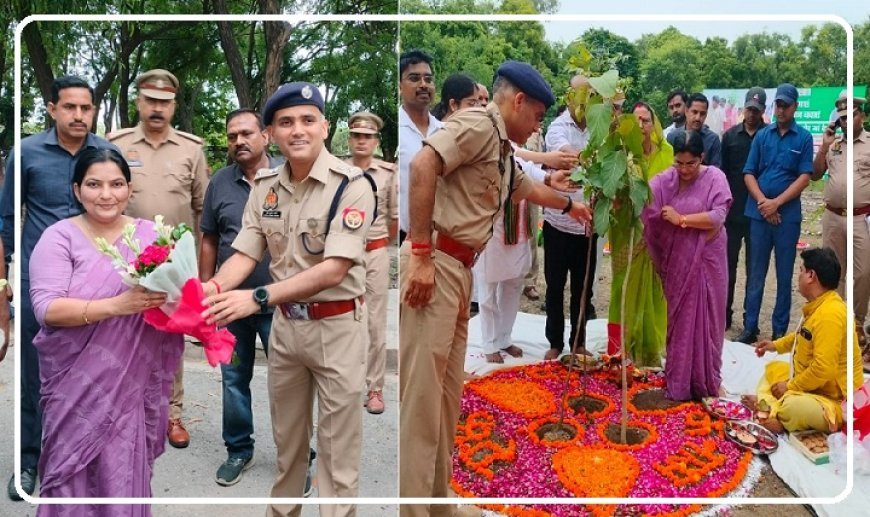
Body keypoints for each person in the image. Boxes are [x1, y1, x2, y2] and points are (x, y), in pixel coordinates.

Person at [399, 60, 592, 516]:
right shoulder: (475, 124)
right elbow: (424, 164)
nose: (538, 126)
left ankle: (437, 504)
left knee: (446, 402)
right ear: (518, 102)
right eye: (538, 116)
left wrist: (569, 202)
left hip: (459, 269)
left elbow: (522, 187)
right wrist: (422, 254)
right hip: (437, 266)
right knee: (423, 406)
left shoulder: (501, 144)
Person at [201, 82, 375, 516]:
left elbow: (333, 268)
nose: (297, 130)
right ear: (272, 134)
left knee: (336, 461)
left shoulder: (352, 185)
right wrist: (213, 290)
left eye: (307, 120)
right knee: (289, 450)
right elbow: (244, 253)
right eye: (286, 122)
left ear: (324, 127)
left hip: (336, 329)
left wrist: (256, 298)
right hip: (286, 333)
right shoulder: (265, 187)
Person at [29, 148, 184, 511]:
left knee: (122, 478)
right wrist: (117, 306)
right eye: (94, 184)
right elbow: (46, 309)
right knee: (71, 480)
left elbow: (177, 297)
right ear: (76, 189)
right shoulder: (59, 237)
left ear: (129, 189)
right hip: (75, 388)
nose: (106, 194)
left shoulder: (151, 236)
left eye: (116, 184)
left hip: (131, 385)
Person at [1, 75, 120, 500]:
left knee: (94, 374)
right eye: (69, 107)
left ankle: (85, 459)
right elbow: (5, 222)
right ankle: (31, 462)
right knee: (36, 377)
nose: (78, 116)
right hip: (42, 286)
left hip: (98, 286)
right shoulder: (27, 152)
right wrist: (4, 285)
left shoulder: (106, 154)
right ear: (52, 109)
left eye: (86, 108)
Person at [108, 68, 210, 449]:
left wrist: (198, 270)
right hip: (125, 261)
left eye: (164, 103)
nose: (156, 108)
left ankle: (173, 414)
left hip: (174, 265)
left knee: (172, 341)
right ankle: (124, 408)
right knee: (121, 334)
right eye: (150, 100)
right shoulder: (115, 144)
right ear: (138, 101)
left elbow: (204, 211)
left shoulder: (191, 149)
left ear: (173, 106)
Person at [199, 108, 286, 487]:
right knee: (234, 377)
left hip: (279, 301)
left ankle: (296, 453)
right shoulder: (219, 182)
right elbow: (209, 239)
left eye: (247, 133)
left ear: (265, 135)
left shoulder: (289, 176)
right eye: (232, 135)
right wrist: (206, 294)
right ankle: (238, 449)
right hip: (230, 304)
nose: (239, 141)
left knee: (288, 382)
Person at [643, 130, 731, 401]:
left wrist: (682, 219)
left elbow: (717, 216)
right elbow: (647, 206)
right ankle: (679, 380)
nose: (684, 170)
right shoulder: (665, 181)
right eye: (678, 163)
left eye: (690, 163)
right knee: (680, 321)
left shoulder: (715, 177)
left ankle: (707, 380)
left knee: (709, 320)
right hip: (679, 262)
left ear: (701, 158)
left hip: (708, 258)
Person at [747, 247, 863, 435]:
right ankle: (773, 404)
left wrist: (790, 386)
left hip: (834, 400)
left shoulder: (830, 315)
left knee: (793, 407)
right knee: (774, 371)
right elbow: (801, 336)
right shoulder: (821, 304)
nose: (798, 277)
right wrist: (774, 346)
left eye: (800, 271)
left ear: (811, 276)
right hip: (815, 387)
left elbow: (823, 369)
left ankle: (780, 417)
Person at [737, 83, 813, 344]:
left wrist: (777, 203)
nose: (780, 110)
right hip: (759, 215)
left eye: (786, 105)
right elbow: (749, 172)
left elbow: (805, 177)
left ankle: (779, 330)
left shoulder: (802, 138)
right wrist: (764, 203)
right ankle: (750, 327)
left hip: (786, 217)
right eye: (778, 105)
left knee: (783, 274)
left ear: (795, 107)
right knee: (755, 273)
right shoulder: (762, 136)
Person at [607, 102, 671, 367]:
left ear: (653, 123)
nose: (641, 126)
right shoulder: (622, 151)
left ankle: (650, 344)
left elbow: (673, 188)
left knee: (655, 287)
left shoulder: (667, 152)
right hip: (626, 226)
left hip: (657, 230)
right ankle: (617, 346)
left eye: (646, 120)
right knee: (622, 283)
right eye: (636, 121)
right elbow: (612, 188)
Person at [344, 111, 398, 414]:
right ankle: (346, 383)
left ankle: (375, 387)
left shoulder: (387, 174)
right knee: (342, 320)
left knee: (375, 322)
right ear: (350, 139)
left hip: (375, 252)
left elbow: (393, 219)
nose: (361, 141)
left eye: (367, 136)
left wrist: (375, 244)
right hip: (342, 254)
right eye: (356, 136)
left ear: (375, 141)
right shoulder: (337, 171)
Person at [542, 75, 598, 360]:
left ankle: (578, 342)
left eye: (591, 96)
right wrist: (593, 156)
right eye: (581, 96)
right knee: (554, 286)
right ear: (569, 98)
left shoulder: (599, 127)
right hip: (558, 222)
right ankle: (555, 342)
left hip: (588, 225)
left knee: (583, 289)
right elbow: (566, 155)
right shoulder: (557, 128)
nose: (586, 102)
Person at [812, 91, 870, 352]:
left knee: (862, 273)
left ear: (862, 116)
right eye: (842, 116)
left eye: (852, 115)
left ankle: (857, 324)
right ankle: (836, 325)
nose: (846, 120)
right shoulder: (833, 145)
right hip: (833, 217)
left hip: (861, 218)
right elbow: (815, 174)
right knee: (834, 273)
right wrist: (824, 145)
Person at [721, 87, 767, 331]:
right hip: (732, 214)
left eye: (756, 110)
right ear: (744, 108)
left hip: (758, 214)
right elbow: (722, 174)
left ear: (762, 111)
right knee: (727, 267)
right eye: (749, 109)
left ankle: (751, 321)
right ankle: (724, 316)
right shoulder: (729, 137)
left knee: (754, 269)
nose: (752, 114)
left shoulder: (768, 136)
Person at [398, 49, 442, 245]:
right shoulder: (395, 131)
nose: (423, 85)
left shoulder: (446, 132)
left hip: (442, 240)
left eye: (428, 79)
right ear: (399, 86)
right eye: (414, 78)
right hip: (404, 239)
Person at [668, 92, 721, 167]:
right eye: (694, 112)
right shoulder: (672, 137)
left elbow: (716, 173)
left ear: (706, 115)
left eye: (702, 114)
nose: (698, 118)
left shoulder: (713, 140)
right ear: (686, 111)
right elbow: (668, 168)